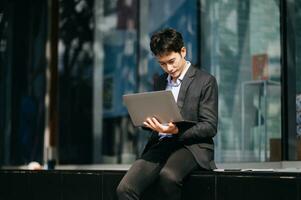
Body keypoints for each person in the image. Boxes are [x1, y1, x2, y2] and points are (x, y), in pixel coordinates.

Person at [116, 28, 218, 200]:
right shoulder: (160, 81)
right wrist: (149, 123)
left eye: (172, 61)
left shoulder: (205, 81)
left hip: (192, 146)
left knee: (168, 177)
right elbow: (157, 115)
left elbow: (210, 126)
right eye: (162, 63)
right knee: (125, 189)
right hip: (162, 144)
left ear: (183, 51)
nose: (168, 68)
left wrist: (177, 131)